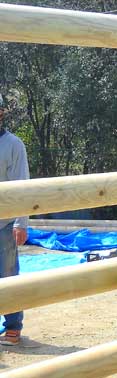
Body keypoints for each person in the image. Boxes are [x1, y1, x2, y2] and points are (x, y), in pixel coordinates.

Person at [0, 93, 30, 346]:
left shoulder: (13, 145)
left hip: (5, 224)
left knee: (8, 275)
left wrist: (21, 223)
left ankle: (12, 328)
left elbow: (23, 185)